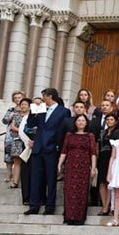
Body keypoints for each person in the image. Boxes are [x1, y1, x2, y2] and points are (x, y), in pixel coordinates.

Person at [25, 88, 71, 216]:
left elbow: (64, 130)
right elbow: (30, 125)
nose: (42, 98)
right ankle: (34, 206)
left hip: (52, 148)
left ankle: (50, 206)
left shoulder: (64, 111)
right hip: (38, 148)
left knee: (51, 179)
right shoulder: (40, 109)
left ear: (50, 96)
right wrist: (32, 111)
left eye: (43, 96)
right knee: (35, 178)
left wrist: (59, 146)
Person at [57, 114, 97, 225]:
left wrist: (93, 167)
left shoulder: (90, 136)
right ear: (75, 122)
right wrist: (60, 163)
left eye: (83, 121)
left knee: (82, 192)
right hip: (70, 166)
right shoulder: (69, 135)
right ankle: (69, 216)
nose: (80, 122)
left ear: (86, 123)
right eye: (78, 120)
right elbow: (64, 151)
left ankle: (79, 218)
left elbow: (93, 153)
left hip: (84, 167)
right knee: (69, 191)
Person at [96, 113, 119, 216]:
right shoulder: (102, 132)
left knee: (109, 182)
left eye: (111, 119)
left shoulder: (117, 132)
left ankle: (107, 207)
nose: (109, 121)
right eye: (107, 119)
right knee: (101, 182)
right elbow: (98, 146)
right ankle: (105, 205)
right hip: (101, 158)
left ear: (115, 121)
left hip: (112, 158)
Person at [7, 97, 28, 189]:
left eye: (25, 104)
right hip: (17, 140)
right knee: (17, 161)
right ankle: (15, 182)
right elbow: (12, 127)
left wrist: (24, 133)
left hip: (28, 141)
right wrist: (22, 131)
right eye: (22, 104)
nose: (23, 106)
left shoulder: (32, 116)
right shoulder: (16, 115)